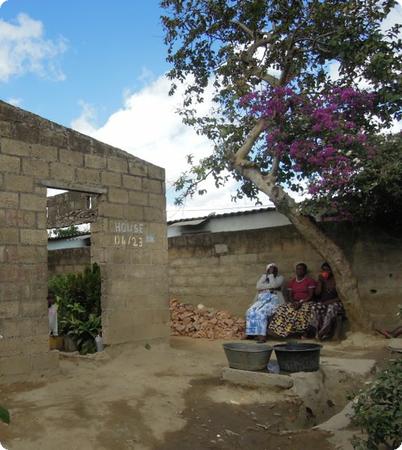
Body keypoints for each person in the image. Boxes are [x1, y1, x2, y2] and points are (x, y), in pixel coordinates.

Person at [268, 262, 316, 338]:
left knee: (301, 311)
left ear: (305, 271)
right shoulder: (292, 282)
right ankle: (276, 331)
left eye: (301, 269)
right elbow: (290, 296)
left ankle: (300, 333)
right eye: (297, 269)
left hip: (306, 301)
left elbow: (311, 295)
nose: (299, 271)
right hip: (294, 302)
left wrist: (301, 302)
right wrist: (293, 303)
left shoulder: (309, 281)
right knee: (282, 308)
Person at [245, 263, 284, 343]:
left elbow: (274, 285)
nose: (272, 271)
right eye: (270, 269)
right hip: (261, 300)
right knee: (250, 311)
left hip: (273, 301)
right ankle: (252, 334)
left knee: (261, 312)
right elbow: (258, 286)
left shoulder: (280, 278)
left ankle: (262, 336)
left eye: (274, 269)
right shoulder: (263, 277)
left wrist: (270, 276)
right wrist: (270, 285)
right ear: (267, 270)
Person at [311, 262, 345, 340]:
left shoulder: (337, 280)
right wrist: (320, 282)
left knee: (331, 307)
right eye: (323, 270)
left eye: (327, 270)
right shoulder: (321, 279)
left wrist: (329, 302)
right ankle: (316, 331)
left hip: (336, 303)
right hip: (324, 302)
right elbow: (317, 293)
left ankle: (324, 331)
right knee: (314, 307)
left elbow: (341, 297)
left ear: (332, 271)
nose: (325, 272)